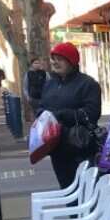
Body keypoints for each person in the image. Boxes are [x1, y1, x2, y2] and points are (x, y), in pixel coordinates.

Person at [31, 42, 102, 188]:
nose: (55, 62)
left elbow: (92, 113)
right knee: (66, 188)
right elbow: (42, 106)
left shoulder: (88, 84)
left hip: (79, 147)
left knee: (84, 191)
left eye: (60, 59)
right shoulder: (50, 84)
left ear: (72, 61)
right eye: (54, 59)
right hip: (56, 148)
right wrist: (42, 114)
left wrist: (61, 115)